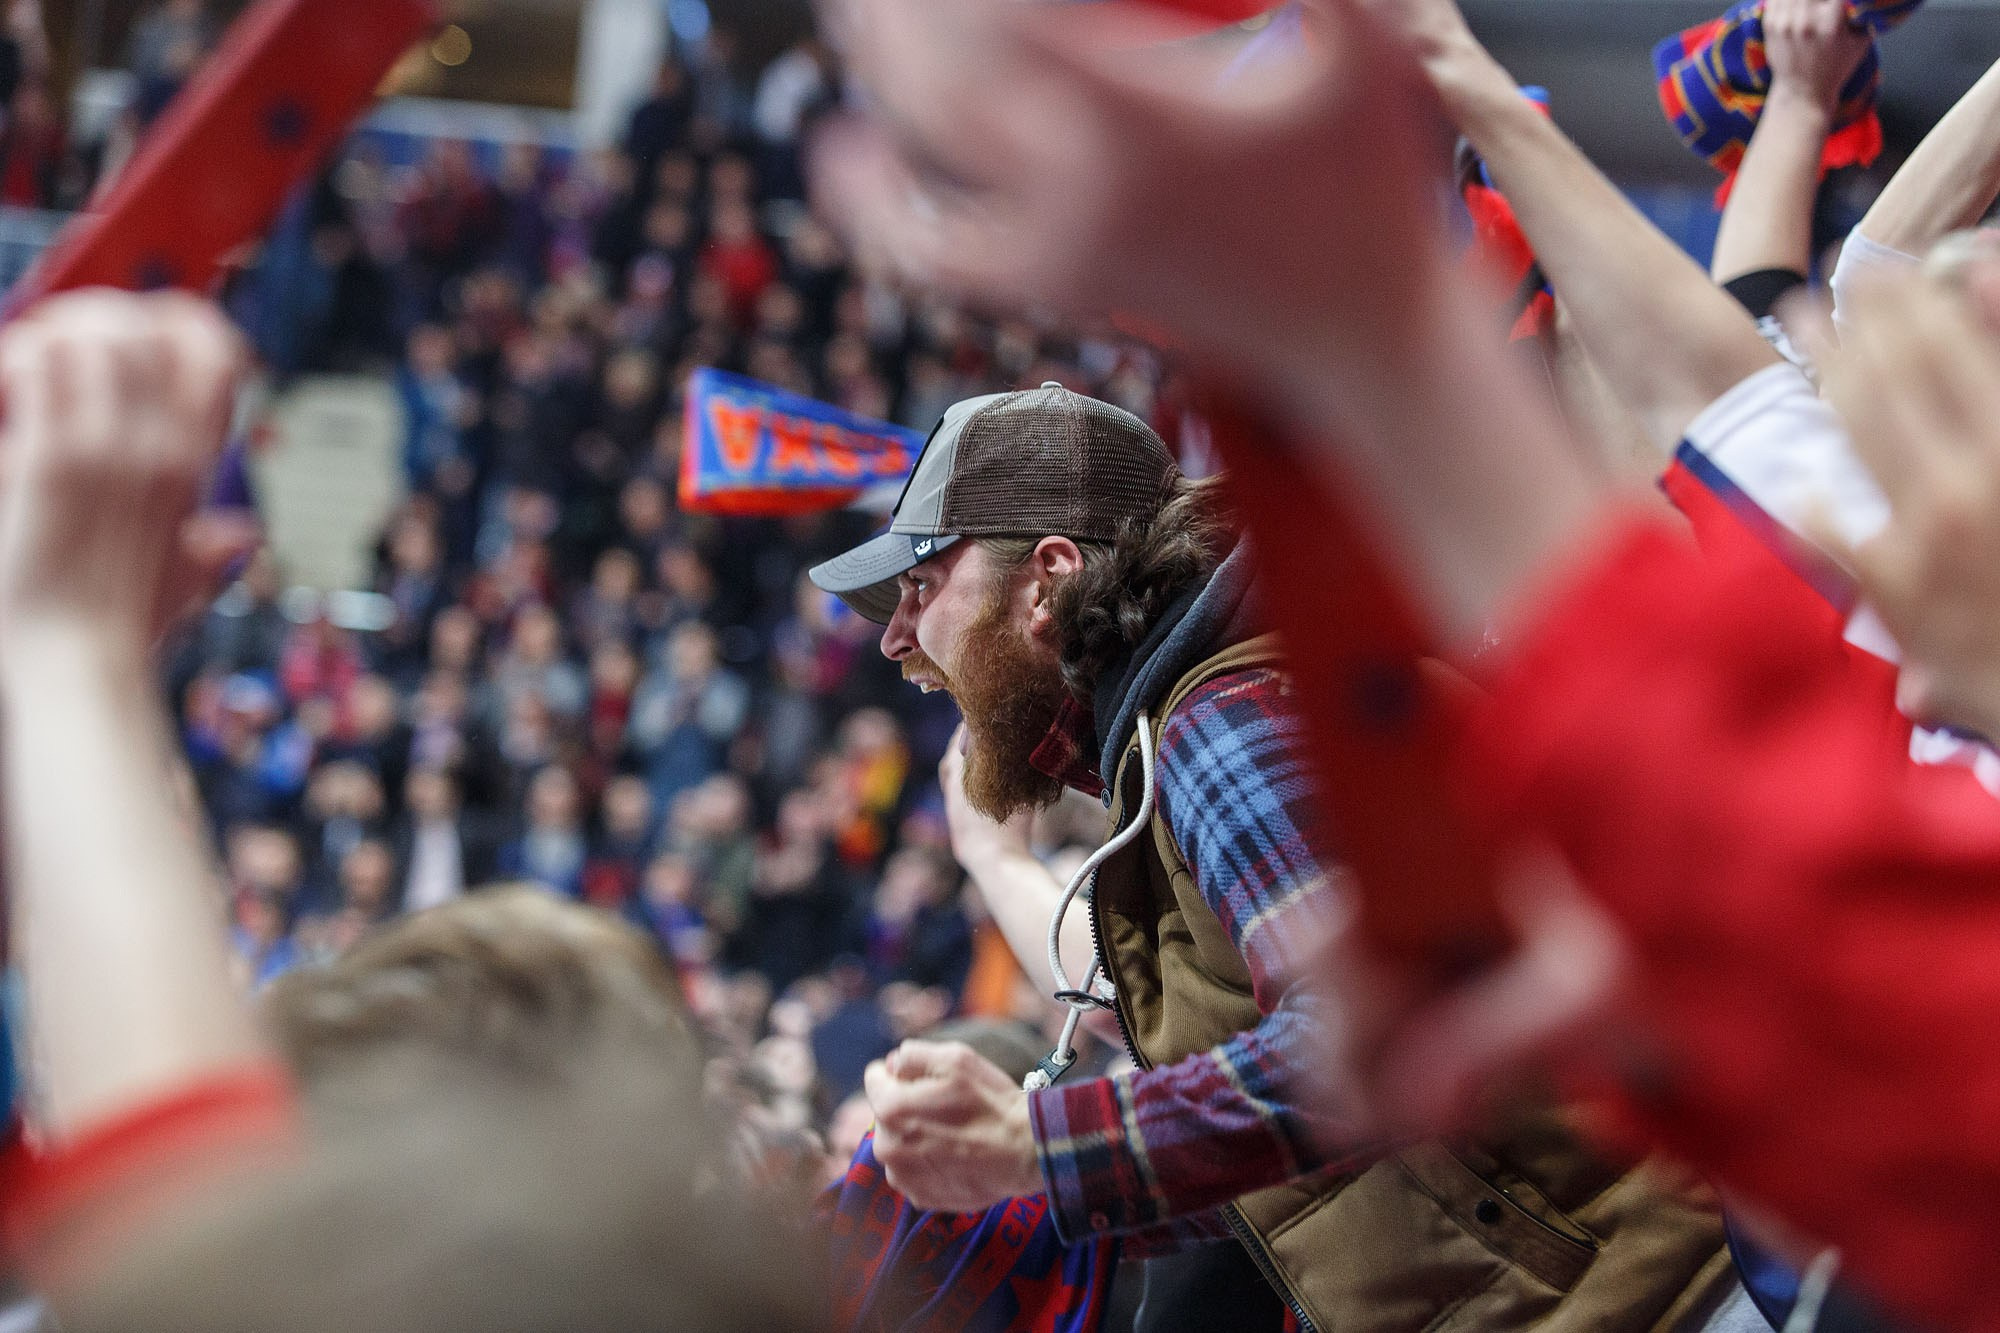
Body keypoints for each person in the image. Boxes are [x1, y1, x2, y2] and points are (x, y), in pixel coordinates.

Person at [809, 385, 1736, 1331]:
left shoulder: (1213, 722)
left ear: (1047, 577)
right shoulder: (1179, 736)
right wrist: (1055, 1185)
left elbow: (1378, 1033)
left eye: (919, 584)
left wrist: (1040, 1144)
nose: (895, 637)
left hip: (1654, 1301)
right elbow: (1319, 1168)